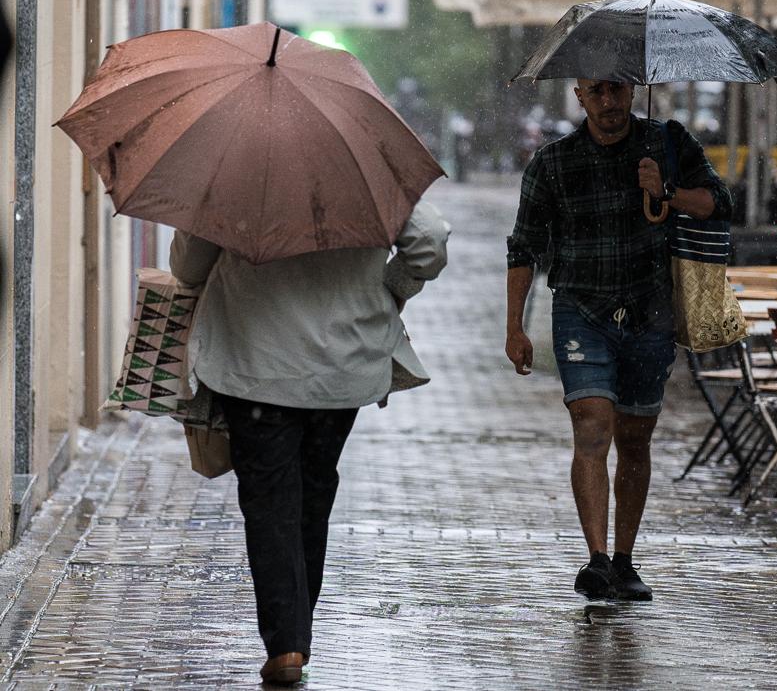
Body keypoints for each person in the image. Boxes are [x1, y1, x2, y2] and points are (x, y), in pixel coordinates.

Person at [171, 200, 450, 685]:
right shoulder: (364, 170)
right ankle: (295, 635)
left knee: (270, 500)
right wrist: (393, 286)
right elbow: (427, 243)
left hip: (254, 365)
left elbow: (188, 265)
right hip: (341, 366)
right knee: (312, 493)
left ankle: (287, 643)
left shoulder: (237, 173)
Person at [505, 79, 732, 601]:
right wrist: (514, 326)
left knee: (634, 437)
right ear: (579, 96)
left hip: (651, 315)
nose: (609, 102)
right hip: (582, 312)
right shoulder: (552, 162)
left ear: (632, 90)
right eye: (596, 92)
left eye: (617, 90)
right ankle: (598, 560)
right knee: (592, 425)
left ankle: (626, 560)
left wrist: (665, 191)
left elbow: (718, 203)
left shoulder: (668, 144)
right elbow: (524, 247)